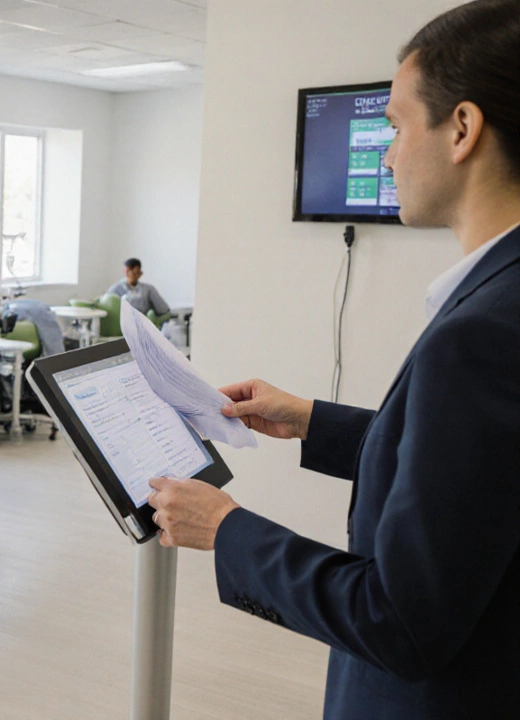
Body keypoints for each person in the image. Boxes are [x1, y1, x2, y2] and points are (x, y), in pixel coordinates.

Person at [144, 1, 520, 717]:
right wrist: (317, 421)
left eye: (395, 127)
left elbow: (400, 620)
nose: (385, 153)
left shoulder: (481, 334)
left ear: (463, 130)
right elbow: (484, 482)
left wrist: (227, 530)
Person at [106, 258, 170, 317]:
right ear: (125, 272)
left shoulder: (148, 289)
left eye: (136, 273)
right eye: (132, 272)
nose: (133, 275)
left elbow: (163, 310)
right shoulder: (115, 289)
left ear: (140, 273)